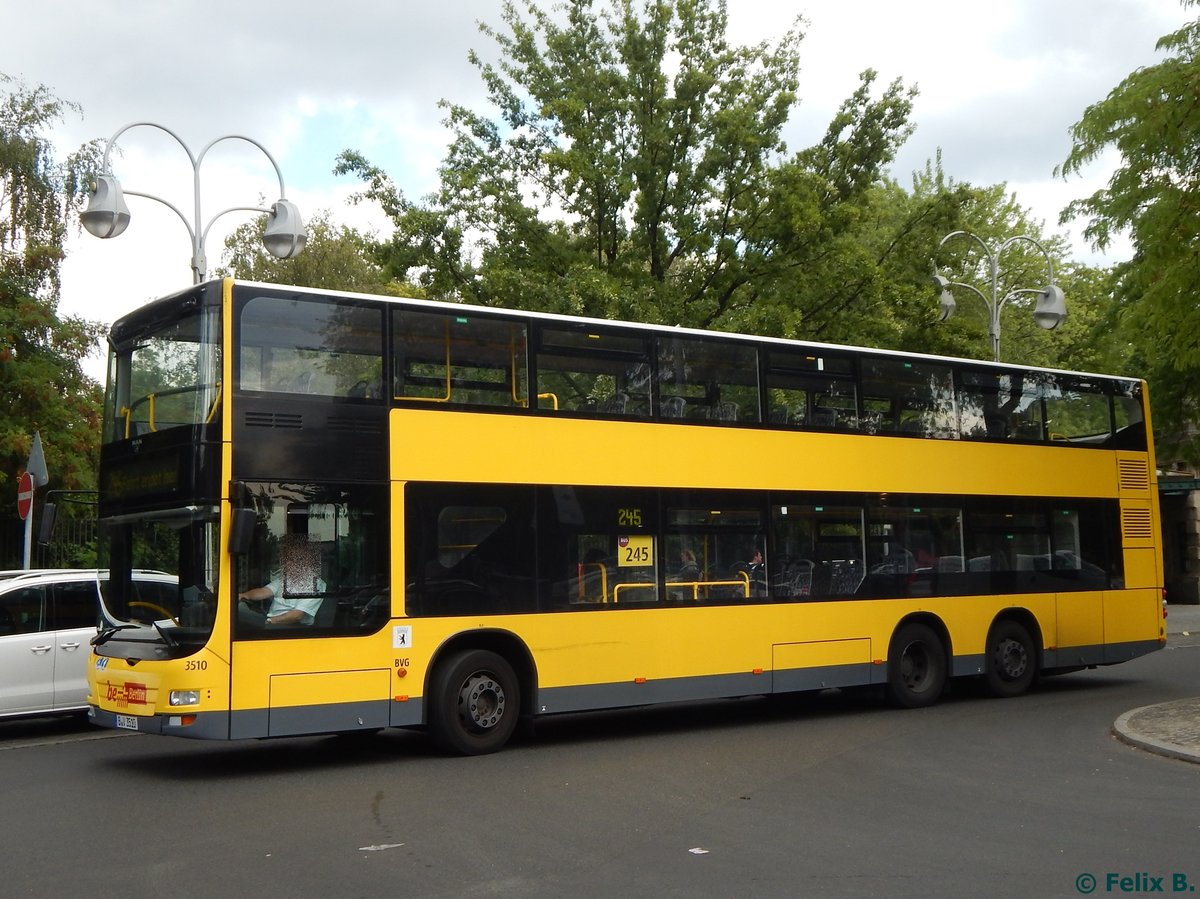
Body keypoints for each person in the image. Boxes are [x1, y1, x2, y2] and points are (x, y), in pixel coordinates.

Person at [238, 534, 326, 627]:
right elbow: (264, 591)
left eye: (294, 559)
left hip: (293, 628)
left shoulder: (316, 584)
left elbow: (297, 615)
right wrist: (245, 595)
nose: (288, 563)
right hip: (273, 623)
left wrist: (269, 622)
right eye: (288, 559)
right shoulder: (285, 578)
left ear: (306, 561)